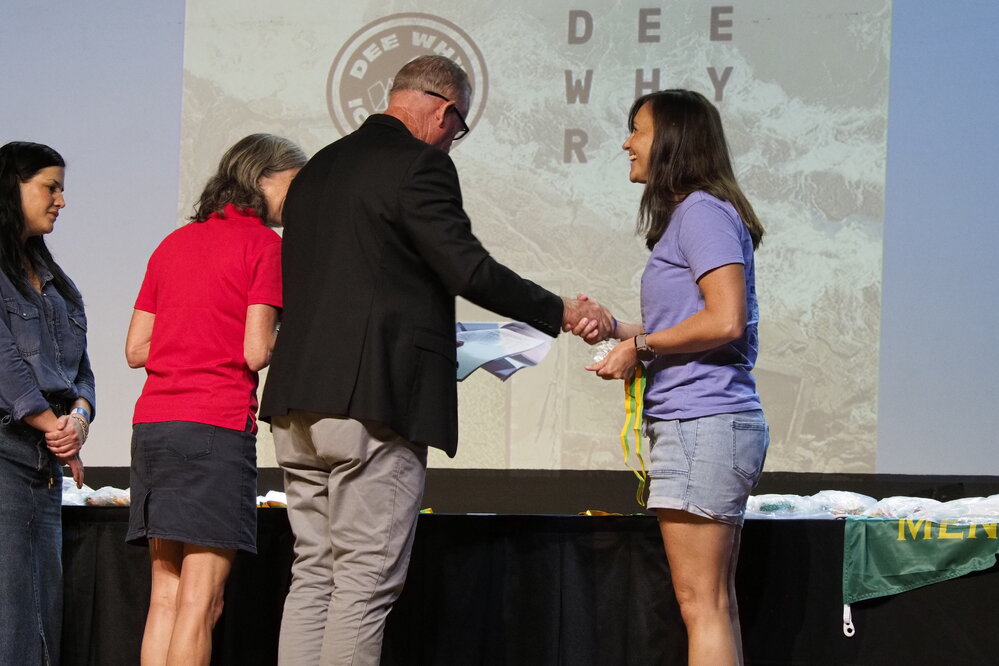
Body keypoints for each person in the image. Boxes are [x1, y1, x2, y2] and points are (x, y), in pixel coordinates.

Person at [260, 55, 611, 665]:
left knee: (315, 574)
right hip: (372, 403)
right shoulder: (418, 164)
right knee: (364, 585)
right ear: (443, 110)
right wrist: (559, 310)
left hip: (297, 403)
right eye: (458, 128)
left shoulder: (317, 169)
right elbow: (466, 267)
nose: (453, 142)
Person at [584, 90, 769, 666]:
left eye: (636, 130)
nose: (626, 142)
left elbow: (724, 319)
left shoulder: (703, 213)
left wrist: (638, 346)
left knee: (702, 605)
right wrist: (618, 328)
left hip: (702, 424)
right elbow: (690, 321)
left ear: (671, 141)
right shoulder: (695, 214)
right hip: (703, 424)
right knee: (713, 604)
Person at [124, 133, 307, 666]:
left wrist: (193, 331)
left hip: (154, 428)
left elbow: (136, 349)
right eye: (294, 186)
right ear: (264, 179)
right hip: (214, 429)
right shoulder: (264, 246)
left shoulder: (173, 244)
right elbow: (255, 351)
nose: (298, 200)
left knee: (166, 599)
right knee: (201, 605)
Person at [0, 141, 95, 665]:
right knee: (12, 611)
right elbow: (5, 363)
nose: (60, 200)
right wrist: (52, 425)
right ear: (11, 187)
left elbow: (83, 370)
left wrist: (77, 419)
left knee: (43, 608)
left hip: (45, 463)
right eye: (50, 188)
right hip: (7, 452)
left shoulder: (60, 284)